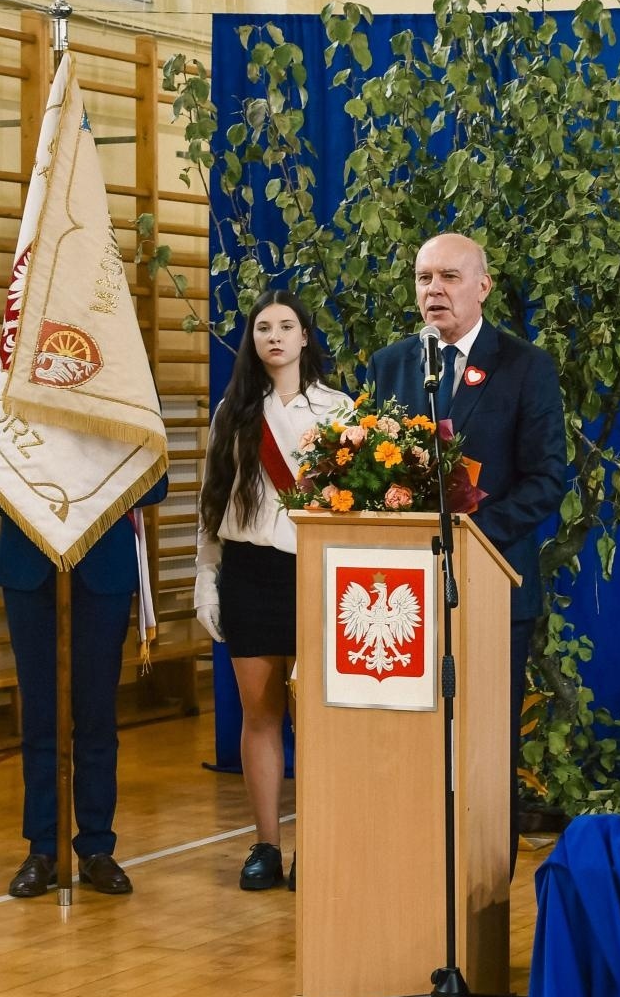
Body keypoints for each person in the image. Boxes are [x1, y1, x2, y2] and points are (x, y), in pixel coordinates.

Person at [365, 232, 567, 869]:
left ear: (483, 287)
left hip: (490, 588)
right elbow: (370, 469)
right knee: (409, 746)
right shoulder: (391, 364)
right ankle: (409, 877)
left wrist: (472, 532)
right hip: (400, 595)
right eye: (424, 278)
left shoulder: (524, 365)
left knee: (482, 746)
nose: (434, 291)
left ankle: (483, 888)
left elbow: (545, 481)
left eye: (449, 278)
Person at [0, 370, 168, 899]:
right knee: (41, 714)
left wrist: (87, 498)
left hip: (101, 566)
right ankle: (43, 846)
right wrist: (47, 504)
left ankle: (97, 846)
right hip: (31, 565)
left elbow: (157, 477)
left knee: (97, 714)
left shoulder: (120, 363)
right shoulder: (11, 367)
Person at [195, 289, 353, 890]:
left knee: (315, 718)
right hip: (249, 571)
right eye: (263, 328)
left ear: (305, 336)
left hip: (316, 571)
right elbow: (210, 503)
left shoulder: (338, 411)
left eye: (287, 326)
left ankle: (317, 843)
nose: (275, 337)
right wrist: (206, 579)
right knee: (259, 715)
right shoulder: (233, 412)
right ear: (252, 340)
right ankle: (266, 845)